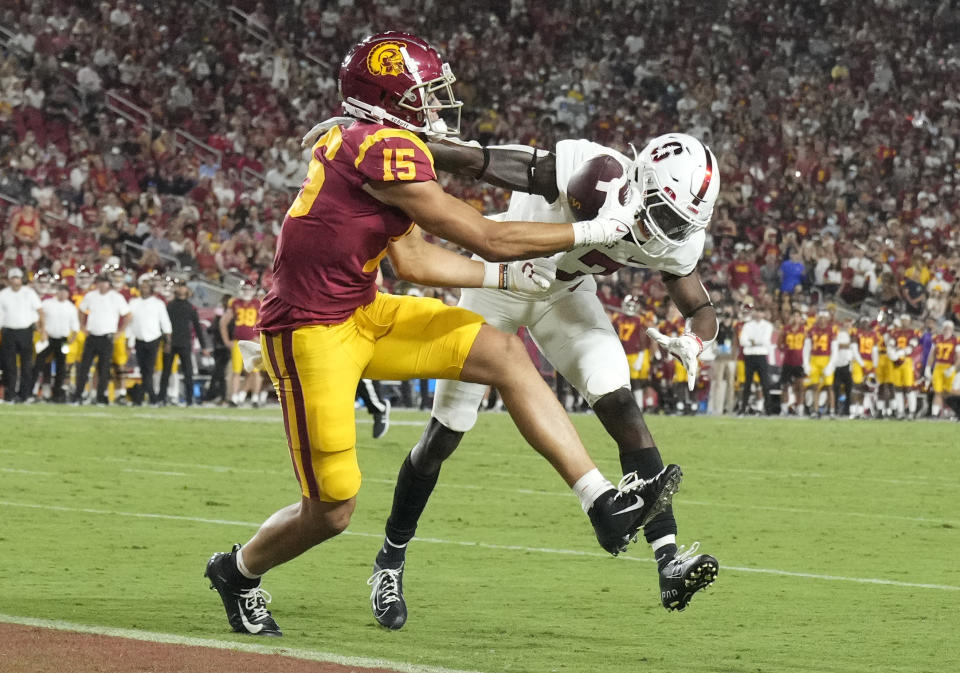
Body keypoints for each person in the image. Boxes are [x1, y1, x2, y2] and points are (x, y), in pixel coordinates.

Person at [204, 32, 675, 638]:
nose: (434, 106)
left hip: (365, 311)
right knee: (333, 510)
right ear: (384, 101)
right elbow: (487, 234)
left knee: (505, 354)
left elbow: (417, 264)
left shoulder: (367, 144)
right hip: (309, 334)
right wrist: (591, 232)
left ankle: (601, 500)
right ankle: (237, 571)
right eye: (423, 94)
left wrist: (502, 277)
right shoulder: (377, 151)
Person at [360, 130, 722, 629]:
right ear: (641, 182)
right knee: (445, 431)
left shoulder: (677, 233)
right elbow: (488, 161)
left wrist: (699, 340)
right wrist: (411, 146)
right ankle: (389, 560)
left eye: (680, 223)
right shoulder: (596, 175)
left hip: (565, 293)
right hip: (501, 278)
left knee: (618, 398)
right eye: (662, 213)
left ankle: (668, 561)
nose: (668, 231)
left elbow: (699, 305)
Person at [73, 273, 129, 405]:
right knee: (84, 367)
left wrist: (120, 331)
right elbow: (81, 310)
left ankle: (100, 396)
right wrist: (82, 326)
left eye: (105, 282)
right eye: (100, 282)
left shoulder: (117, 297)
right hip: (92, 335)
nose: (102, 284)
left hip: (107, 336)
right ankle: (78, 394)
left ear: (109, 284)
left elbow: (127, 315)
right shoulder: (90, 296)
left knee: (104, 369)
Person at [159, 278, 207, 406]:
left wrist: (204, 346)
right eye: (179, 286)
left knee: (188, 373)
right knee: (166, 372)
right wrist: (165, 341)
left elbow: (197, 327)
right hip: (171, 343)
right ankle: (161, 398)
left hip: (185, 343)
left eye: (183, 286)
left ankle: (189, 400)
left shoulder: (190, 307)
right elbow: (163, 325)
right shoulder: (169, 305)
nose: (181, 289)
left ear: (187, 290)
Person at [0, 267, 43, 403]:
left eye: (17, 277)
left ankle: (25, 395)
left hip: (25, 331)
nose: (15, 280)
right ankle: (10, 395)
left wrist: (43, 329)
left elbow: (40, 311)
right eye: (13, 278)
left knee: (26, 365)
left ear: (21, 279)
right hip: (8, 331)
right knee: (9, 365)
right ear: (9, 280)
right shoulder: (3, 294)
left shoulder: (29, 293)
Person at [127, 273, 171, 405]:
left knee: (149, 368)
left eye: (147, 287)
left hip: (154, 338)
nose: (144, 289)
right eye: (143, 287)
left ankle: (146, 396)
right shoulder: (133, 303)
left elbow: (165, 322)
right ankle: (149, 396)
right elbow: (130, 323)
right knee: (143, 369)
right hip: (139, 338)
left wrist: (168, 339)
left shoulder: (158, 303)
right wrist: (128, 340)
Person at [220, 280, 264, 407]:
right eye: (245, 289)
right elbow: (223, 323)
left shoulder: (258, 303)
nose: (247, 292)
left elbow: (264, 323)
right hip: (238, 342)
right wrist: (226, 341)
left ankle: (255, 398)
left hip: (252, 341)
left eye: (249, 289)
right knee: (236, 371)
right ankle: (234, 397)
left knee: (255, 371)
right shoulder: (235, 303)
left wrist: (260, 339)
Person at [38, 282, 80, 402]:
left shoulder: (71, 307)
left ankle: (57, 394)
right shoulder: (47, 304)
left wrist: (69, 341)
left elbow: (75, 328)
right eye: (60, 291)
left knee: (61, 366)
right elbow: (38, 318)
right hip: (47, 338)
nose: (62, 294)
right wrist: (42, 332)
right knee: (40, 362)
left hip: (63, 340)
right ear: (57, 292)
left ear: (68, 293)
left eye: (65, 291)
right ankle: (37, 389)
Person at [738, 305, 774, 415]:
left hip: (761, 356)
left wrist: (751, 341)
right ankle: (743, 408)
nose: (758, 314)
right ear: (754, 313)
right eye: (757, 311)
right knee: (747, 384)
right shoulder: (747, 325)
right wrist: (754, 342)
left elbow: (765, 340)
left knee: (765, 384)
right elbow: (742, 341)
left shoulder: (768, 326)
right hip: (749, 356)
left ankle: (769, 410)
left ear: (763, 314)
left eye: (761, 312)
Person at [803, 309, 836, 417]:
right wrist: (806, 363)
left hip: (826, 358)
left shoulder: (831, 330)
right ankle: (815, 410)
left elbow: (834, 349)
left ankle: (831, 410)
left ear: (827, 319)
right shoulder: (812, 330)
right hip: (814, 359)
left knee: (830, 386)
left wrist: (831, 364)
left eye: (824, 318)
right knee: (815, 386)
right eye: (820, 318)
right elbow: (806, 348)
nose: (822, 320)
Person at [778, 310, 807, 416]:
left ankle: (800, 408)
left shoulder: (804, 330)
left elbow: (807, 345)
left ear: (800, 318)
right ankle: (784, 408)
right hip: (788, 361)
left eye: (798, 316)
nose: (796, 318)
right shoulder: (786, 329)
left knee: (800, 386)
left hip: (799, 361)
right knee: (784, 386)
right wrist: (785, 351)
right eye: (794, 316)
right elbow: (779, 343)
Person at [926, 321, 957, 419]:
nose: (947, 330)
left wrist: (953, 368)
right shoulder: (937, 339)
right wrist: (928, 367)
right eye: (945, 328)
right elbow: (932, 354)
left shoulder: (956, 340)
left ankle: (952, 411)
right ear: (942, 329)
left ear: (952, 330)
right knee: (937, 391)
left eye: (949, 328)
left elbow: (959, 357)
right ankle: (935, 414)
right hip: (938, 366)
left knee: (949, 391)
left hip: (949, 366)